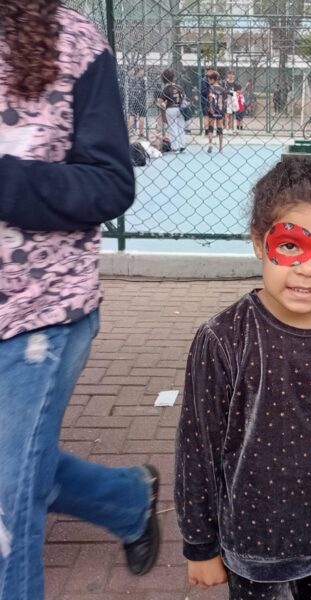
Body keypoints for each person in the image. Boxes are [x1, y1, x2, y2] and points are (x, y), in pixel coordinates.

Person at [175, 158, 311, 598]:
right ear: (259, 242)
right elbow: (198, 447)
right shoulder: (223, 339)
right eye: (290, 245)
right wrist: (200, 544)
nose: (308, 268)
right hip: (255, 543)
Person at [0, 2, 161, 598]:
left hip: (37, 310)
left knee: (8, 505)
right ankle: (127, 499)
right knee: (18, 469)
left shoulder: (73, 40)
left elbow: (111, 181)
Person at [157, 68, 186, 152]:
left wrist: (163, 104)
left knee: (173, 128)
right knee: (181, 127)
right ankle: (182, 145)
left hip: (171, 108)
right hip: (181, 109)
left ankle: (175, 147)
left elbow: (160, 101)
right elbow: (184, 97)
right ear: (173, 77)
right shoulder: (179, 87)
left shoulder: (167, 89)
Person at [206, 69, 224, 153]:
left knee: (211, 127)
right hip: (220, 109)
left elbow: (210, 98)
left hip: (212, 109)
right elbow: (223, 100)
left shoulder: (211, 88)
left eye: (210, 79)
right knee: (220, 127)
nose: (208, 80)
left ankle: (210, 144)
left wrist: (210, 107)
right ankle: (221, 146)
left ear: (213, 79)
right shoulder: (222, 89)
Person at [127, 67, 147, 136]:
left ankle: (131, 131)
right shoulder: (143, 79)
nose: (143, 72)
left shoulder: (131, 79)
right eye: (142, 71)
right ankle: (140, 132)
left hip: (133, 98)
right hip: (140, 98)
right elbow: (145, 89)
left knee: (133, 115)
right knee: (137, 115)